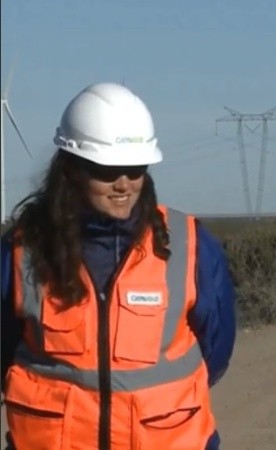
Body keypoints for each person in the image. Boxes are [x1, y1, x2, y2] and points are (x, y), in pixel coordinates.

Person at [0, 82, 237, 450]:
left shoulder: (189, 245)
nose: (124, 184)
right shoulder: (23, 250)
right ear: (71, 170)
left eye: (135, 168)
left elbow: (216, 353)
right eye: (106, 170)